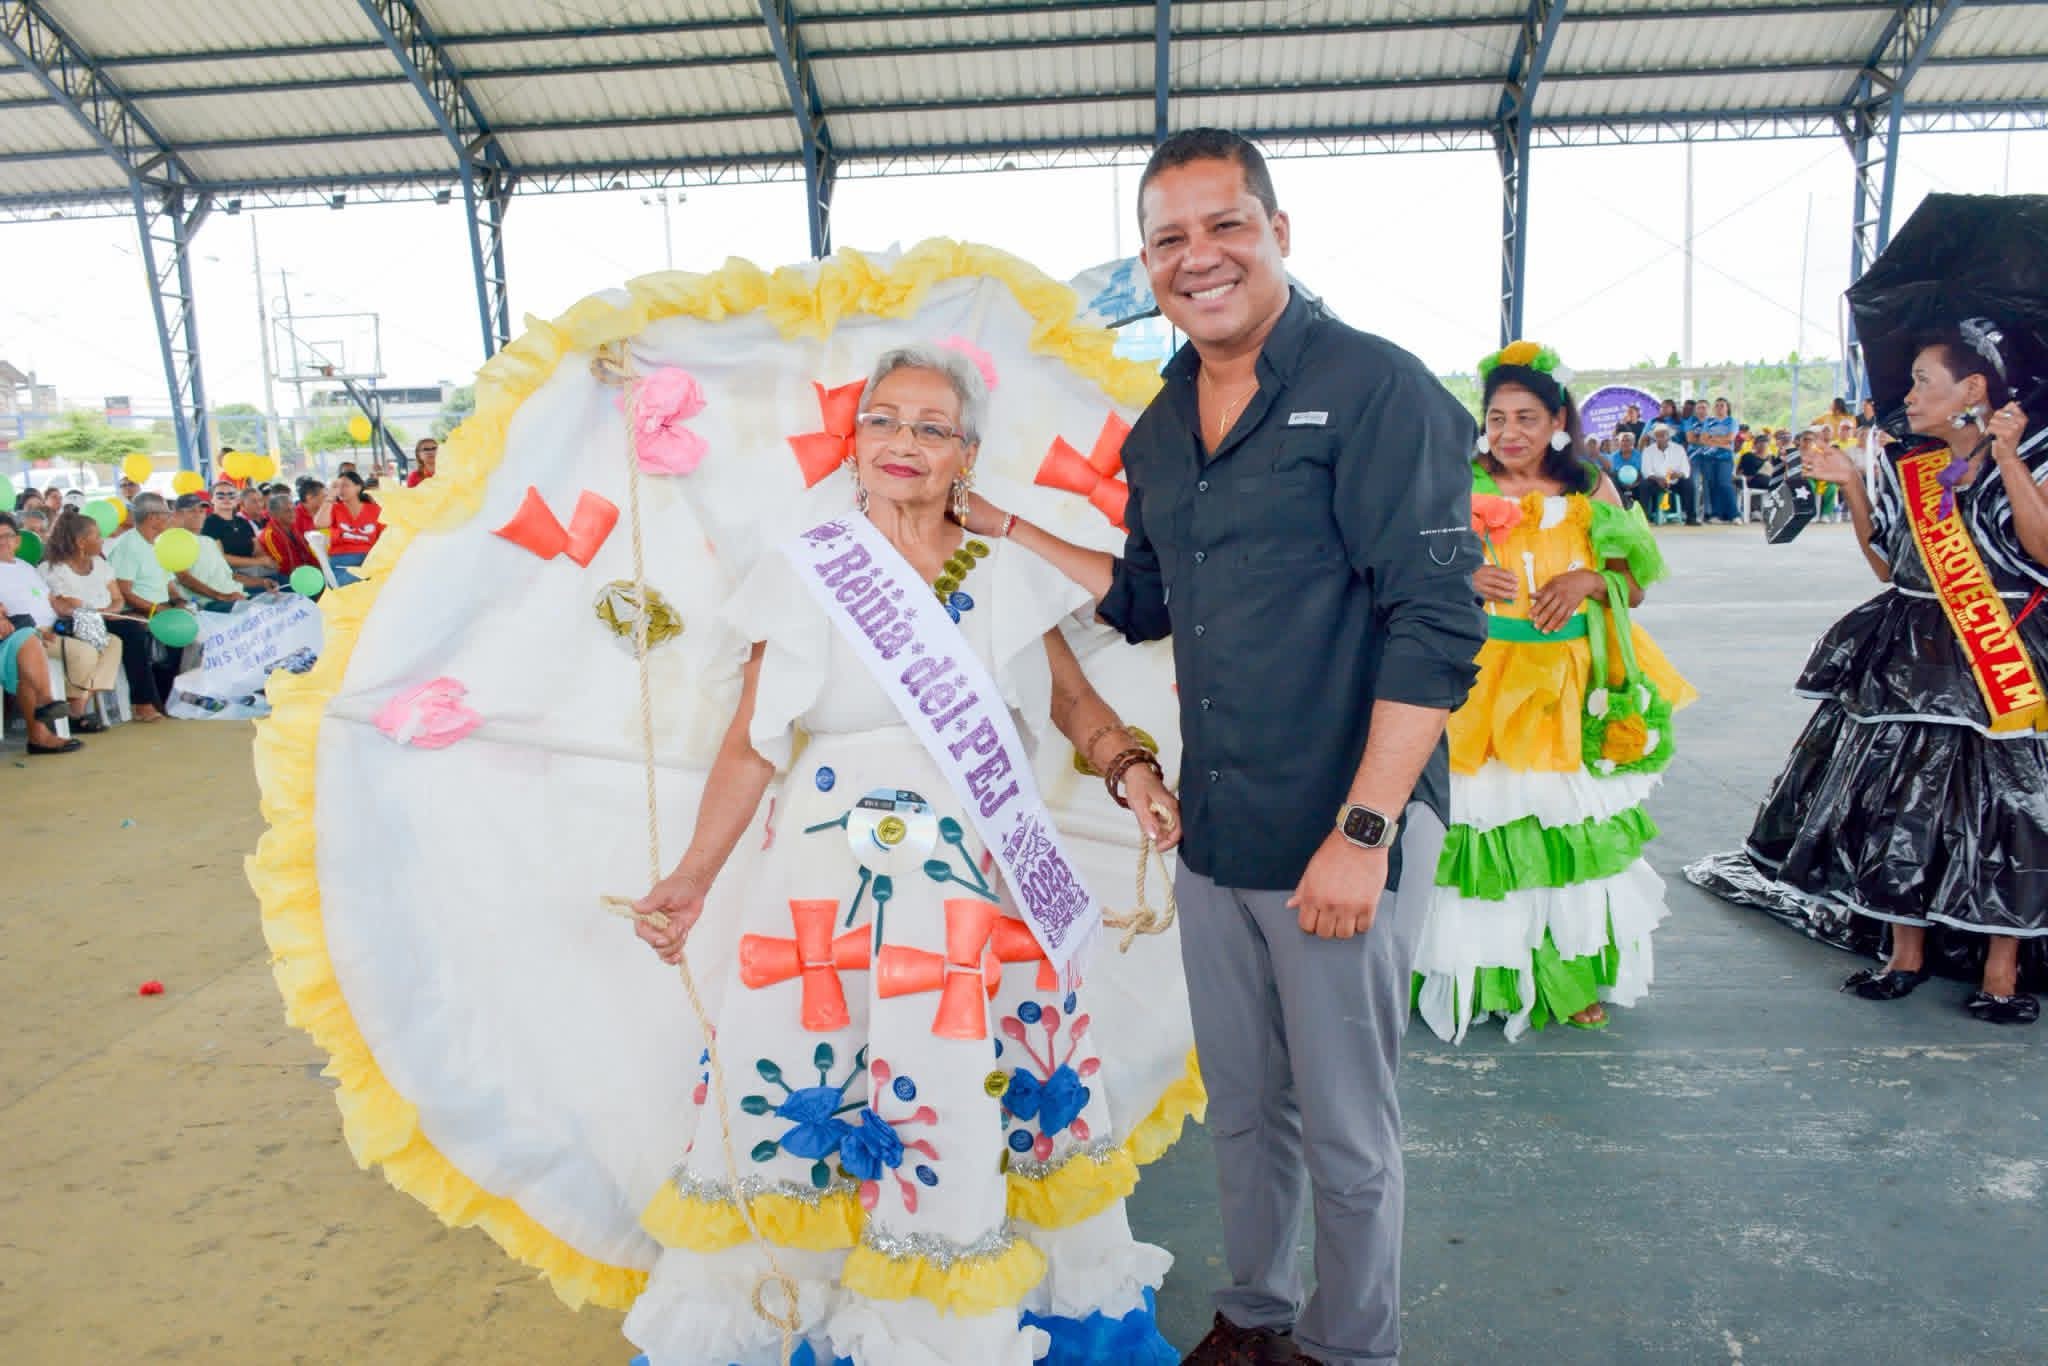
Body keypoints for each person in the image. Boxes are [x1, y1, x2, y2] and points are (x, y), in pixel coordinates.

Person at [965, 127, 1485, 1366]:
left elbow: (1435, 625)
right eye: (1168, 239)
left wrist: (1364, 832)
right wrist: (1001, 525)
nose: (1197, 257)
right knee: (1244, 1107)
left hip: (1341, 821)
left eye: (1224, 225)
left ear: (1276, 232)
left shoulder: (1375, 388)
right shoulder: (1158, 427)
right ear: (1145, 262)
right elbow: (1143, 598)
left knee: (1345, 1123)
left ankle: (1349, 1347)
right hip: (1218, 825)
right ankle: (1255, 1317)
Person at [621, 345, 1189, 1365]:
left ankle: (950, 1320)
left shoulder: (1001, 569)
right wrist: (692, 877)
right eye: (883, 419)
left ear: (966, 454)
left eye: (932, 428)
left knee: (961, 1079)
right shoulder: (807, 568)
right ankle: (807, 1314)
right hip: (825, 884)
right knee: (818, 1074)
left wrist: (1131, 768)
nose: (903, 442)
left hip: (974, 881)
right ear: (854, 440)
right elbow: (752, 741)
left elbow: (1070, 701)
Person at [1723, 330, 2048, 1024]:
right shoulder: (1914, 465)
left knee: (2011, 808)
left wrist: (2009, 458)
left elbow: (2043, 548)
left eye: (1924, 379)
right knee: (1903, 803)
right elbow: (1886, 564)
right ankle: (1904, 954)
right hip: (1912, 652)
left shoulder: (2033, 456)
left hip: (2004, 651)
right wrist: (1851, 485)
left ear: (1973, 390)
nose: (1909, 394)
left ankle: (2002, 969)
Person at [1413, 342, 1695, 1041]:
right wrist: (1462, 577)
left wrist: (1588, 581)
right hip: (1479, 678)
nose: (1510, 433)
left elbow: (1633, 583)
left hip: (1567, 682)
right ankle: (1475, 977)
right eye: (1497, 418)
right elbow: (1409, 566)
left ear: (1559, 420)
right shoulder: (1455, 481)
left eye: (1527, 419)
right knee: (1478, 828)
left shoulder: (1591, 488)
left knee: (1562, 832)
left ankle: (1563, 980)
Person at [41, 507, 167, 722]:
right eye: (97, 536)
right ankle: (142, 702)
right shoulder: (54, 568)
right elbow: (69, 605)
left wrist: (108, 612)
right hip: (74, 623)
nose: (102, 540)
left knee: (134, 630)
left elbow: (118, 598)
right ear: (81, 542)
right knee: (129, 633)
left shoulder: (100, 565)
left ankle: (138, 701)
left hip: (104, 618)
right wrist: (100, 613)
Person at [0, 511, 85, 753]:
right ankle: (47, 702)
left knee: (28, 643)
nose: (3, 542)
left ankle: (39, 733)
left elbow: (47, 599)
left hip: (26, 633)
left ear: (17, 540)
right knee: (29, 639)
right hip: (10, 635)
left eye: (7, 536)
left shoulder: (25, 567)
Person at [170, 493, 250, 610]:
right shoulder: (174, 541)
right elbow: (184, 578)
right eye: (192, 511)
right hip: (207, 602)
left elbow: (230, 576)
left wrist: (262, 582)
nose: (198, 515)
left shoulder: (208, 541)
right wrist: (222, 596)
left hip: (235, 594)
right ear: (177, 515)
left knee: (274, 593)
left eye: (201, 511)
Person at [203, 480, 278, 581]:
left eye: (231, 495)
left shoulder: (242, 521)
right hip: (230, 576)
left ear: (236, 499)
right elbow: (220, 558)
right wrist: (258, 562)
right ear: (212, 499)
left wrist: (267, 561)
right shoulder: (209, 523)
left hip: (255, 571)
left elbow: (257, 550)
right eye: (221, 496)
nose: (227, 499)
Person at [313, 469, 383, 570]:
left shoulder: (375, 510)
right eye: (338, 486)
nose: (341, 490)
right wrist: (330, 496)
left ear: (358, 487)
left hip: (370, 558)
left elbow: (384, 536)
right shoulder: (334, 508)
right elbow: (319, 524)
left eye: (345, 485)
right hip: (342, 558)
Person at [1693, 396, 1740, 523]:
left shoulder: (1732, 421)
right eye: (1717, 405)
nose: (1719, 408)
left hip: (1725, 458)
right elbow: (1702, 439)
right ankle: (1716, 514)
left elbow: (1730, 438)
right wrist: (1721, 441)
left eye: (1722, 405)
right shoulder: (1709, 421)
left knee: (1724, 483)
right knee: (1712, 485)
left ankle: (1735, 515)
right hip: (1708, 458)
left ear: (1727, 408)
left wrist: (1712, 438)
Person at [1638, 425, 1698, 524]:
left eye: (1663, 435)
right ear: (1655, 437)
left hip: (1675, 481)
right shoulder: (1648, 451)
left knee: (1688, 483)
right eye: (1658, 436)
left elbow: (1685, 469)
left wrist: (1678, 474)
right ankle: (1644, 518)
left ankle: (1691, 518)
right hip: (1656, 482)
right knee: (1644, 485)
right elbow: (1646, 471)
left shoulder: (1678, 449)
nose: (1661, 438)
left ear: (1668, 436)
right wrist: (1658, 479)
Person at [258, 490, 320, 581]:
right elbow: (283, 566)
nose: (293, 513)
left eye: (293, 509)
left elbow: (307, 552)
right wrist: (310, 575)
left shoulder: (293, 526)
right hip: (288, 578)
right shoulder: (269, 535)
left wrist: (318, 568)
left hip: (305, 571)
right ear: (274, 514)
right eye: (287, 511)